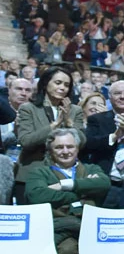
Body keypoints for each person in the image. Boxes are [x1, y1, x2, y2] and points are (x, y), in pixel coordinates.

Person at [22, 128, 114, 254]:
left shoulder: (91, 167)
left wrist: (65, 185)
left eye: (69, 146)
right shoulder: (39, 171)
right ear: (50, 150)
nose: (65, 151)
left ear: (78, 147)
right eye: (59, 147)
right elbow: (37, 196)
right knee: (67, 251)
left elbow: (103, 183)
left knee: (116, 250)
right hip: (65, 232)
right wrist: (80, 196)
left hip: (91, 233)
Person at [14, 66, 84, 202]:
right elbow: (26, 141)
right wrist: (54, 125)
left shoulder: (75, 110)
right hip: (31, 174)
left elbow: (82, 141)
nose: (63, 88)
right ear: (45, 84)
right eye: (58, 83)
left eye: (67, 85)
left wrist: (69, 122)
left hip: (64, 177)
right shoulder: (28, 108)